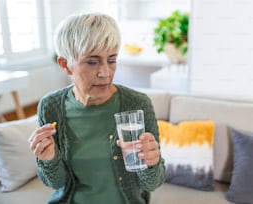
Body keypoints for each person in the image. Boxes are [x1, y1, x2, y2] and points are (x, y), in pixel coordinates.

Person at [28, 12, 166, 204]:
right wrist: (48, 158)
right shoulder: (50, 106)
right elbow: (56, 182)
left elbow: (152, 183)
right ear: (65, 65)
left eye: (111, 60)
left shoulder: (137, 103)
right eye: (92, 62)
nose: (105, 72)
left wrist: (151, 162)